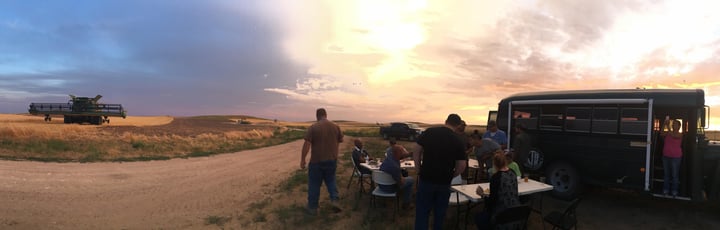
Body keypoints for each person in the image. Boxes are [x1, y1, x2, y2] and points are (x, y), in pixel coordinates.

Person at [413, 114, 467, 230]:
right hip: (444, 182)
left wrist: (418, 169)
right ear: (458, 125)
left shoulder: (430, 132)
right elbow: (462, 165)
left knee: (422, 211)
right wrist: (452, 175)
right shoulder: (458, 140)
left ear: (446, 121)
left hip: (426, 178)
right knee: (440, 213)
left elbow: (416, 150)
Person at [300, 108, 344, 215]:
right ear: (326, 115)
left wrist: (302, 160)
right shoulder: (336, 126)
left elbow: (307, 144)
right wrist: (335, 155)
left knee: (314, 184)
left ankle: (312, 208)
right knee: (331, 180)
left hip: (316, 161)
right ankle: (335, 200)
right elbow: (339, 141)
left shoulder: (313, 127)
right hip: (331, 160)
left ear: (317, 116)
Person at [475, 152, 521, 229]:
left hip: (502, 216)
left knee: (479, 218)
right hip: (516, 213)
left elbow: (491, 203)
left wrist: (482, 194)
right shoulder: (512, 173)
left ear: (494, 164)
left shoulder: (496, 178)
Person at [379, 144, 416, 210]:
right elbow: (401, 183)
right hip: (390, 189)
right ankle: (406, 204)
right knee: (411, 180)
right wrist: (402, 178)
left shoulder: (388, 159)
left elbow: (401, 156)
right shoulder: (395, 167)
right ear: (398, 153)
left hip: (381, 186)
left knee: (405, 175)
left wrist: (410, 154)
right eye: (402, 152)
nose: (403, 154)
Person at [661, 118, 683, 197]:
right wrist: (664, 123)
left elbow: (673, 136)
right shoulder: (668, 133)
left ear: (679, 127)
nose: (674, 125)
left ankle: (674, 191)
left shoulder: (680, 134)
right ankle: (666, 190)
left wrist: (668, 126)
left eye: (676, 124)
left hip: (675, 157)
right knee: (666, 175)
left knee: (674, 175)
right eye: (673, 124)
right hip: (666, 156)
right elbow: (661, 133)